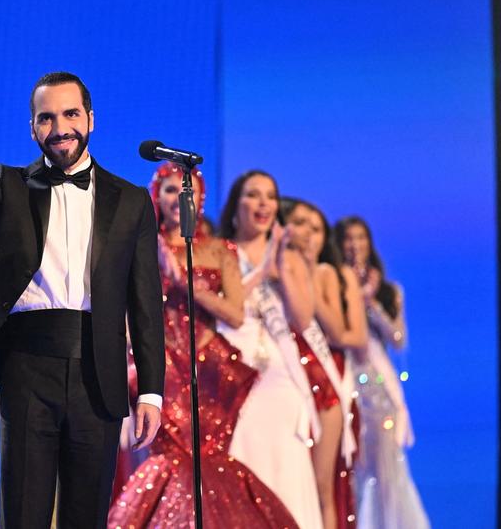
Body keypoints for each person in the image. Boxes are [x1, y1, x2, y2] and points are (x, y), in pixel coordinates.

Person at [0, 27, 165, 528]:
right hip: (27, 370)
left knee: (86, 518)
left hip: (98, 374)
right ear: (33, 128)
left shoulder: (130, 201)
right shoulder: (12, 188)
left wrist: (151, 390)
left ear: (90, 119)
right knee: (24, 516)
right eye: (47, 117)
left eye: (69, 114)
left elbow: (146, 303)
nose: (59, 126)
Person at [108, 163, 299, 528]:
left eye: (188, 190)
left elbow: (236, 314)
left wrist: (184, 284)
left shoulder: (218, 250)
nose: (180, 199)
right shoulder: (141, 248)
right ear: (156, 196)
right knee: (171, 457)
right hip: (160, 368)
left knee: (210, 458)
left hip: (210, 370)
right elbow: (127, 313)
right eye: (170, 190)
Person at [217, 170, 324, 529]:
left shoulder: (287, 258)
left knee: (285, 470)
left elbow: (303, 316)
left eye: (270, 196)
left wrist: (280, 265)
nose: (263, 203)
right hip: (234, 374)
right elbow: (227, 311)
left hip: (279, 378)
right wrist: (261, 272)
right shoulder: (219, 252)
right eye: (253, 195)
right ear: (236, 206)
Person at [334, 216, 429, 529]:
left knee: (386, 468)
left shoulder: (388, 291)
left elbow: (398, 339)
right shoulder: (331, 284)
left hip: (377, 384)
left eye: (360, 238)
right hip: (344, 377)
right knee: (352, 468)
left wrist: (370, 301)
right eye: (348, 238)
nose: (354, 245)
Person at [282, 198, 367, 529]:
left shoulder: (328, 272)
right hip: (294, 377)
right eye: (303, 227)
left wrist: (310, 286)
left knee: (324, 483)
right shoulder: (286, 266)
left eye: (317, 229)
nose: (310, 237)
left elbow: (348, 335)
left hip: (326, 376)